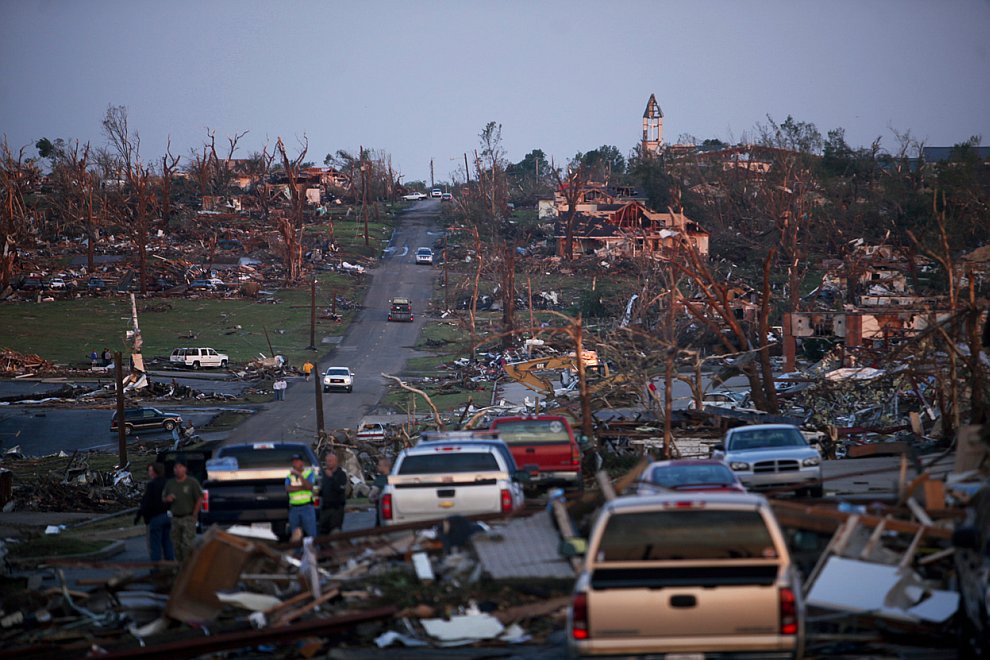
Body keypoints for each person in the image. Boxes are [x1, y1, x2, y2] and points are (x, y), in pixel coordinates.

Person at [162, 457, 203, 563]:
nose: (177, 470)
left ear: (185, 469)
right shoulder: (170, 483)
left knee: (187, 545)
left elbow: (199, 498)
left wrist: (195, 513)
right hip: (175, 518)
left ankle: (189, 567)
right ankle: (180, 568)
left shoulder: (191, 482)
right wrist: (168, 499)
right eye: (175, 468)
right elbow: (163, 498)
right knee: (176, 545)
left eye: (180, 467)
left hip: (188, 517)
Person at [135, 462, 175, 561]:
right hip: (168, 516)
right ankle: (170, 567)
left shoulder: (152, 485)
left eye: (150, 471)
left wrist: (142, 516)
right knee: (168, 544)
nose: (149, 473)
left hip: (156, 517)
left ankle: (156, 570)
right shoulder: (169, 483)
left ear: (154, 472)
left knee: (155, 546)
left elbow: (146, 503)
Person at [285, 453, 317, 540]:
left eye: (297, 461)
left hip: (307, 507)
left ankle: (312, 552)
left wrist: (299, 475)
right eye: (293, 462)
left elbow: (309, 487)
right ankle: (297, 553)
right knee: (295, 534)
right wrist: (302, 488)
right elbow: (288, 489)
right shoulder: (289, 476)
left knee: (311, 534)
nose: (295, 464)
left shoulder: (309, 473)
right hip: (294, 509)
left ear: (302, 463)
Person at [318, 452, 348, 535]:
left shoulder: (341, 474)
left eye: (330, 461)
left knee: (335, 531)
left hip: (336, 508)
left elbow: (340, 489)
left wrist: (331, 478)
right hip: (325, 508)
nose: (328, 463)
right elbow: (320, 490)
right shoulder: (323, 475)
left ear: (336, 462)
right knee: (323, 532)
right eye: (327, 461)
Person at [368, 456, 391, 527]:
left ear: (386, 466)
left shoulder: (379, 480)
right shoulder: (395, 477)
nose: (377, 467)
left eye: (379, 465)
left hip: (381, 512)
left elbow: (371, 497)